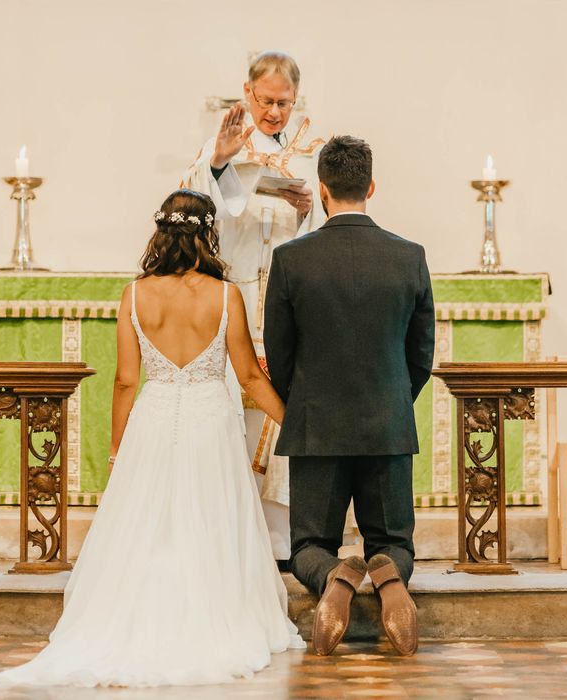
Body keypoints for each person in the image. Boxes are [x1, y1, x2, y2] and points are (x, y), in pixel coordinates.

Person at [0, 189, 303, 689]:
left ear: (162, 232)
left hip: (153, 419)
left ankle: (138, 618)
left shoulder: (135, 294)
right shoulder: (226, 295)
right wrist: (292, 421)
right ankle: (213, 614)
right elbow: (248, 376)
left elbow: (124, 380)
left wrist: (118, 448)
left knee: (150, 528)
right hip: (209, 422)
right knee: (210, 521)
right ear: (208, 234)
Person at [263, 136, 435, 657]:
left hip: (316, 424)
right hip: (387, 422)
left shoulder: (291, 259)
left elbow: (280, 352)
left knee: (307, 547)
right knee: (395, 543)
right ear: (371, 187)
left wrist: (306, 400)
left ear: (322, 189)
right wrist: (393, 398)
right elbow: (421, 353)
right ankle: (386, 576)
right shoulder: (409, 257)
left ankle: (335, 577)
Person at [182, 50, 326, 561]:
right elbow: (190, 206)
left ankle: (279, 541)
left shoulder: (310, 151)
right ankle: (226, 535)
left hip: (287, 304)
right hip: (236, 297)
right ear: (248, 93)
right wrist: (220, 162)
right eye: (266, 101)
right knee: (229, 414)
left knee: (280, 414)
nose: (274, 113)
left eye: (284, 103)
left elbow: (324, 227)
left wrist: (310, 211)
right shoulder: (220, 146)